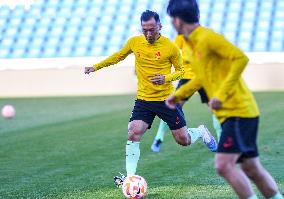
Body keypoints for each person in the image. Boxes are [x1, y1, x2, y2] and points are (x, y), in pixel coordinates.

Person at [85, 10, 217, 188]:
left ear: (160, 26)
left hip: (166, 100)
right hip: (144, 100)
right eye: (144, 30)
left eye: (152, 29)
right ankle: (130, 179)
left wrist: (166, 78)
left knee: (183, 140)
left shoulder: (170, 47)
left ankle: (200, 132)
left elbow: (181, 71)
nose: (148, 34)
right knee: (133, 131)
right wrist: (95, 67)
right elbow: (117, 56)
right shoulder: (134, 42)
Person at [165, 1, 283, 199]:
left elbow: (240, 58)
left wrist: (220, 94)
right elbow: (202, 78)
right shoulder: (192, 43)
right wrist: (178, 95)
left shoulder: (208, 37)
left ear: (177, 20)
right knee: (252, 169)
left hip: (238, 111)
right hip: (234, 113)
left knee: (223, 165)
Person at [151, 34, 222, 153]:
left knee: (215, 108)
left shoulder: (204, 35)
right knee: (172, 107)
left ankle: (221, 143)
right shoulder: (182, 36)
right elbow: (171, 50)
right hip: (188, 77)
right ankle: (159, 138)